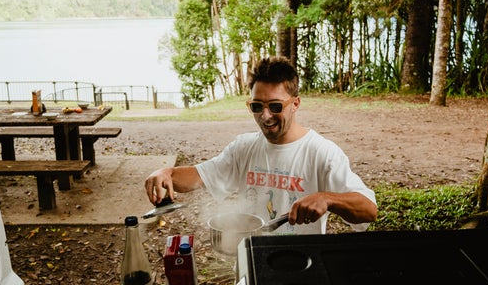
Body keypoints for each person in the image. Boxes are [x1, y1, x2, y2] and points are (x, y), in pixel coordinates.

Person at [144, 56, 377, 234]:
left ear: (295, 104)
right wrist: (167, 173)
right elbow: (200, 176)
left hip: (302, 265)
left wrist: (328, 199)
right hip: (251, 258)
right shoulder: (244, 147)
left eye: (275, 106)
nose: (265, 116)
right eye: (257, 106)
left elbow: (368, 209)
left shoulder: (321, 152)